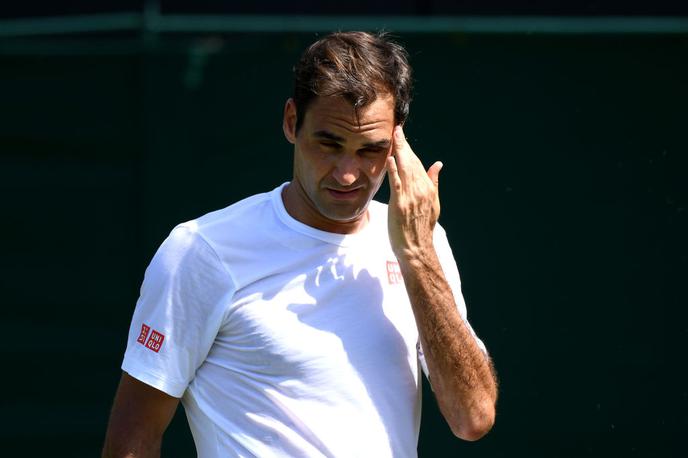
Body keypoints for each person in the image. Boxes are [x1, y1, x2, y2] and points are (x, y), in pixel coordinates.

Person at [102, 31, 497, 458]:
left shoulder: (423, 242)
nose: (347, 174)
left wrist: (417, 255)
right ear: (292, 122)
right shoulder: (201, 251)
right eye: (329, 144)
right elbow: (132, 440)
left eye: (370, 150)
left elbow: (472, 418)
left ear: (397, 143)